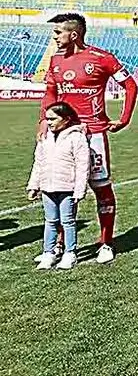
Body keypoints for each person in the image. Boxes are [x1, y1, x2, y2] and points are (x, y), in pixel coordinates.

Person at [36, 12, 138, 264]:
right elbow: (50, 92)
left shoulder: (101, 58)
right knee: (60, 188)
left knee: (101, 188)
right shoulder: (56, 59)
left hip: (93, 133)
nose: (54, 37)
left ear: (74, 34)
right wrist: (43, 121)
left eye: (58, 32)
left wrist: (124, 118)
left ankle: (106, 243)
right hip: (62, 135)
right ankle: (59, 245)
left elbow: (131, 85)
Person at [28, 102, 90, 270]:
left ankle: (70, 253)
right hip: (47, 187)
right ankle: (48, 253)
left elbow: (82, 165)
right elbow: (38, 163)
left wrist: (79, 189)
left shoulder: (76, 137)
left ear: (66, 119)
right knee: (50, 221)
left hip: (67, 188)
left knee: (67, 221)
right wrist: (34, 185)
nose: (49, 122)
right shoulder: (45, 137)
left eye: (53, 119)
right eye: (47, 119)